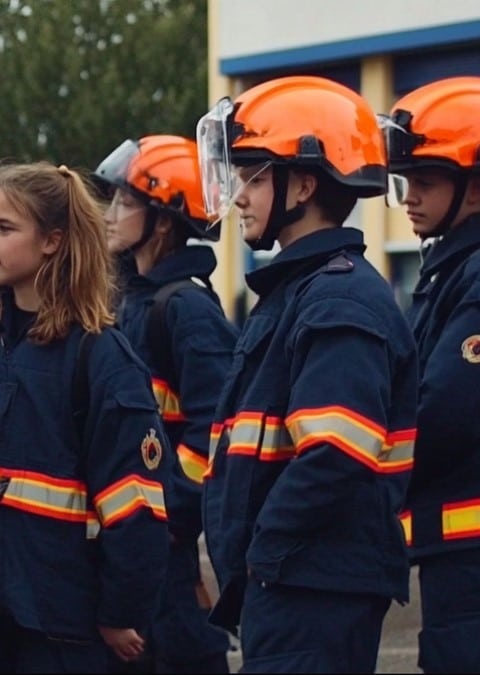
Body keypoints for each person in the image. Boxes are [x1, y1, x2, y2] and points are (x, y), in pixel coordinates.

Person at [0, 162, 171, 673]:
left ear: (52, 241)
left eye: (5, 229)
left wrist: (122, 612)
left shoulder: (99, 357)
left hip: (53, 622)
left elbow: (135, 505)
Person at [196, 75, 419, 671]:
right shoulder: (300, 293)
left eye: (253, 174)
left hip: (310, 587)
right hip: (294, 583)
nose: (238, 194)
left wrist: (261, 552)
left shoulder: (336, 300)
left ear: (302, 184)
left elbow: (337, 453)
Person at [95, 134, 236, 673]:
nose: (110, 214)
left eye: (124, 202)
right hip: (127, 539)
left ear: (162, 218)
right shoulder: (130, 300)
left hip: (162, 546)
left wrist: (167, 515)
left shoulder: (187, 310)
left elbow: (215, 431)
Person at [383, 76, 480, 673]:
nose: (409, 196)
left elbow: (443, 410)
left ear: (474, 188)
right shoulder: (452, 269)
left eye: (425, 180)